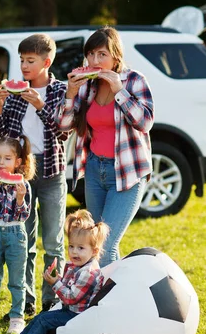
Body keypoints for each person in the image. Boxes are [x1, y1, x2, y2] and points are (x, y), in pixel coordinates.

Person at [56, 26, 154, 267]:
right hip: (94, 170)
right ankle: (105, 297)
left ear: (116, 56)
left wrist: (118, 90)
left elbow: (145, 122)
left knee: (106, 245)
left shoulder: (134, 80)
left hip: (127, 172)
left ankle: (106, 302)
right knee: (93, 243)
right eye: (90, 54)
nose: (95, 60)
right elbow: (64, 125)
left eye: (102, 54)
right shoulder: (87, 85)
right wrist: (70, 93)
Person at [0, 33, 69, 316]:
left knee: (53, 241)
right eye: (21, 60)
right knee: (23, 238)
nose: (23, 66)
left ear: (46, 62)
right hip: (21, 172)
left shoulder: (60, 91)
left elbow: (64, 130)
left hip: (51, 171)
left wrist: (40, 105)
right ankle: (25, 299)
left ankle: (52, 298)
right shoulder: (14, 91)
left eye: (30, 61)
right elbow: (0, 135)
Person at [0, 209, 109, 334]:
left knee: (44, 320)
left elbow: (71, 298)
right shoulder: (77, 265)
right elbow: (69, 287)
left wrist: (55, 283)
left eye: (80, 248)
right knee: (41, 316)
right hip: (71, 310)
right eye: (71, 246)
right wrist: (59, 278)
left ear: (94, 250)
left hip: (78, 316)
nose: (74, 252)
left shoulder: (88, 272)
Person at [0, 136, 35, 334]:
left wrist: (20, 199)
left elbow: (23, 216)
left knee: (17, 281)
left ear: (17, 162)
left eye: (7, 158)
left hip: (16, 235)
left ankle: (17, 318)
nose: (1, 163)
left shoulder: (23, 185)